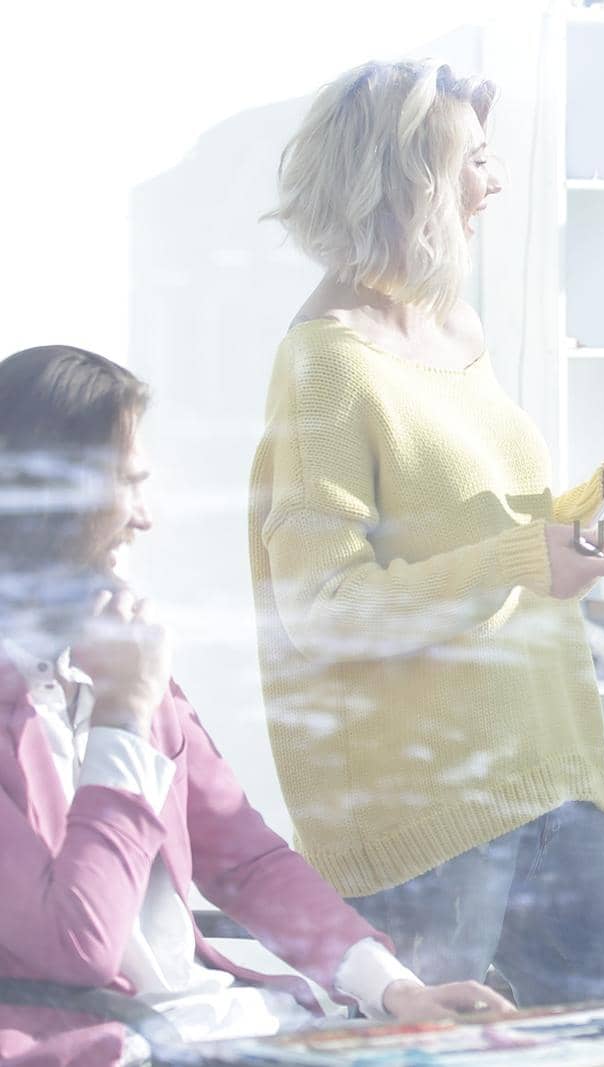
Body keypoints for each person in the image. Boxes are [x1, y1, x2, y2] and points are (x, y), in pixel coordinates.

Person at [248, 60, 604, 1006]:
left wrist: (581, 516)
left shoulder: (455, 329)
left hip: (551, 771)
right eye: (475, 162)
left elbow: (469, 530)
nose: (496, 183)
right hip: (430, 816)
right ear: (406, 184)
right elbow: (323, 610)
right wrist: (529, 557)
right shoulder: (327, 365)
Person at [0, 345, 512, 1066]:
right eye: (129, 485)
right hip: (111, 1045)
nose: (146, 518)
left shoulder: (128, 663)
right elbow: (77, 947)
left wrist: (392, 988)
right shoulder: (120, 682)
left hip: (218, 1023)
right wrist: (120, 717)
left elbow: (245, 858)